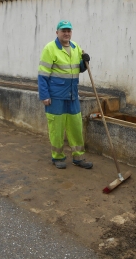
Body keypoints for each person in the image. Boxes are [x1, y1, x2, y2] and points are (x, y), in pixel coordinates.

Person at [38, 20, 93, 169]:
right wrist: (44, 95)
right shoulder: (50, 49)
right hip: (55, 97)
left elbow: (78, 68)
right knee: (56, 129)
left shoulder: (76, 48)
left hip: (72, 96)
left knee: (76, 127)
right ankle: (58, 157)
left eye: (69, 30)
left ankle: (78, 157)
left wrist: (85, 62)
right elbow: (43, 75)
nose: (66, 33)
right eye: (63, 31)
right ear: (57, 32)